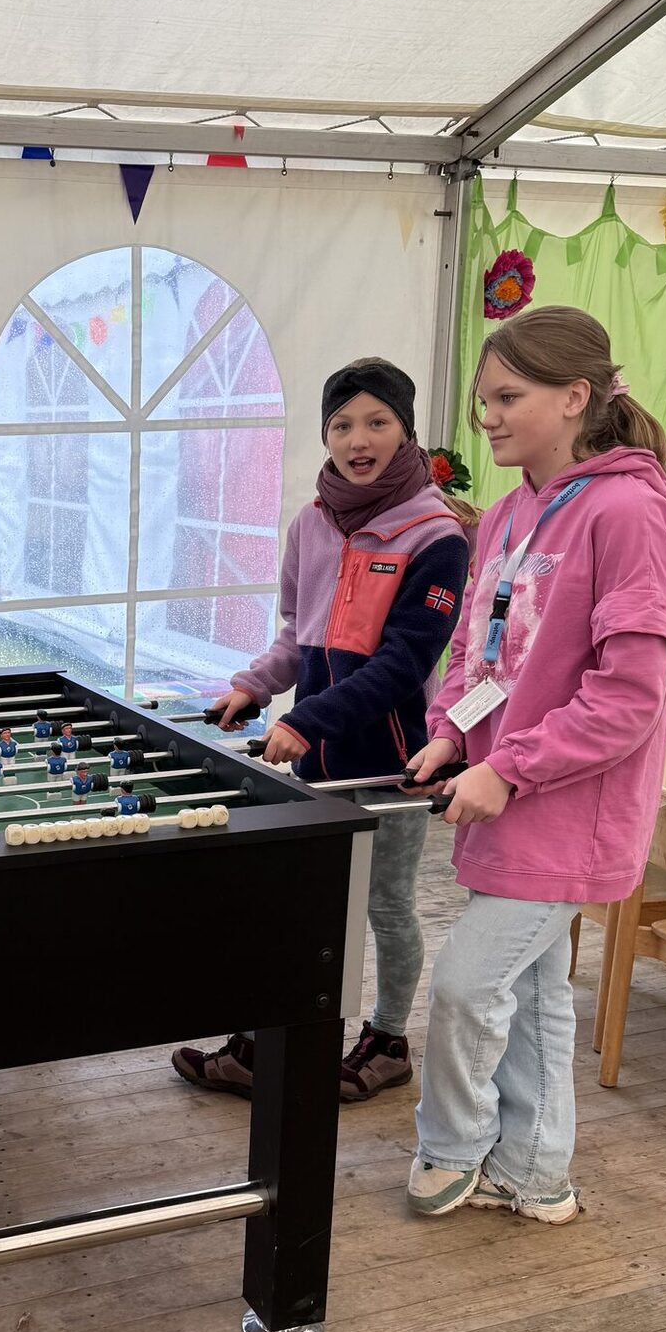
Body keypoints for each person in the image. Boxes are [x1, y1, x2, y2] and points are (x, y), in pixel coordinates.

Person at [406, 305, 666, 1224]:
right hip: (504, 795)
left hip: (568, 809)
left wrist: (511, 768)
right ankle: (536, 1175)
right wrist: (451, 732)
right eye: (484, 399)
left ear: (574, 398)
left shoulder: (630, 511)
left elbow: (630, 696)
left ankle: (453, 1145)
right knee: (532, 991)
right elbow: (473, 651)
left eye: (506, 398)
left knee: (466, 983)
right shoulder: (506, 512)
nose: (486, 418)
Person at [173, 358, 474, 1102]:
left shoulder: (437, 535)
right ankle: (262, 1044)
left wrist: (305, 720)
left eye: (377, 422)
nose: (357, 439)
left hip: (390, 765)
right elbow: (296, 635)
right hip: (315, 760)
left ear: (406, 431)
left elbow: (404, 665)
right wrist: (253, 685)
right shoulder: (310, 523)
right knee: (297, 902)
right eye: (341, 425)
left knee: (386, 906)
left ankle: (388, 1041)